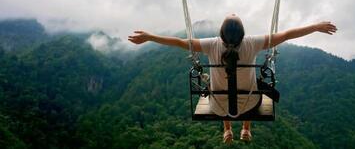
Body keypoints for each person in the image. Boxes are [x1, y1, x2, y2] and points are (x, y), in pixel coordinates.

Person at [128, 14, 337, 143]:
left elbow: (179, 42)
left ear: (221, 33)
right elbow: (288, 34)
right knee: (254, 90)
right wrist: (315, 27)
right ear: (242, 33)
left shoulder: (210, 44)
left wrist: (150, 37)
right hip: (250, 104)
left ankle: (227, 131)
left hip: (219, 107)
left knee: (219, 93)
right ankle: (246, 129)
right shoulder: (253, 43)